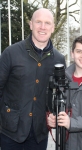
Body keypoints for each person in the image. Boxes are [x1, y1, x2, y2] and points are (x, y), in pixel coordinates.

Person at [0, 8, 66, 150]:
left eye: (47, 23)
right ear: (31, 24)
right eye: (38, 22)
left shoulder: (59, 59)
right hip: (10, 133)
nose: (43, 27)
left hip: (39, 134)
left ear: (53, 28)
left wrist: (53, 114)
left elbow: (59, 94)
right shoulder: (11, 53)